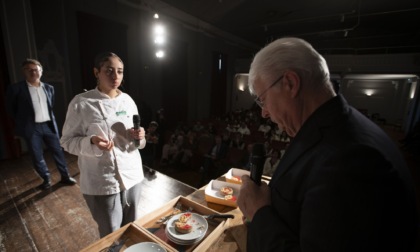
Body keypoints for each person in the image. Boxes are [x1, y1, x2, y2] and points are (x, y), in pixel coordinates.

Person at [237, 37, 417, 251]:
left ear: (290, 84)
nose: (264, 112)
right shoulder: (338, 127)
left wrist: (259, 213)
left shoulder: (351, 160)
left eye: (262, 99)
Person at [60, 52, 146, 237]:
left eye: (120, 71)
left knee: (132, 228)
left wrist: (140, 136)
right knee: (111, 233)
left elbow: (138, 144)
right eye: (109, 71)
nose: (116, 76)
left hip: (133, 175)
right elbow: (66, 142)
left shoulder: (128, 101)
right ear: (96, 72)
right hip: (102, 181)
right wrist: (91, 142)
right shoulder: (81, 103)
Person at [5, 59, 76, 190]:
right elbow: (11, 109)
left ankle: (65, 176)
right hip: (32, 128)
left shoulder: (49, 88)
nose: (33, 72)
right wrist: (23, 122)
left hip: (49, 125)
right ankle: (46, 178)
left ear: (41, 71)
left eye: (36, 69)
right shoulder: (16, 89)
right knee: (37, 155)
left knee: (58, 152)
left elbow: (50, 105)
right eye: (29, 69)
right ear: (24, 72)